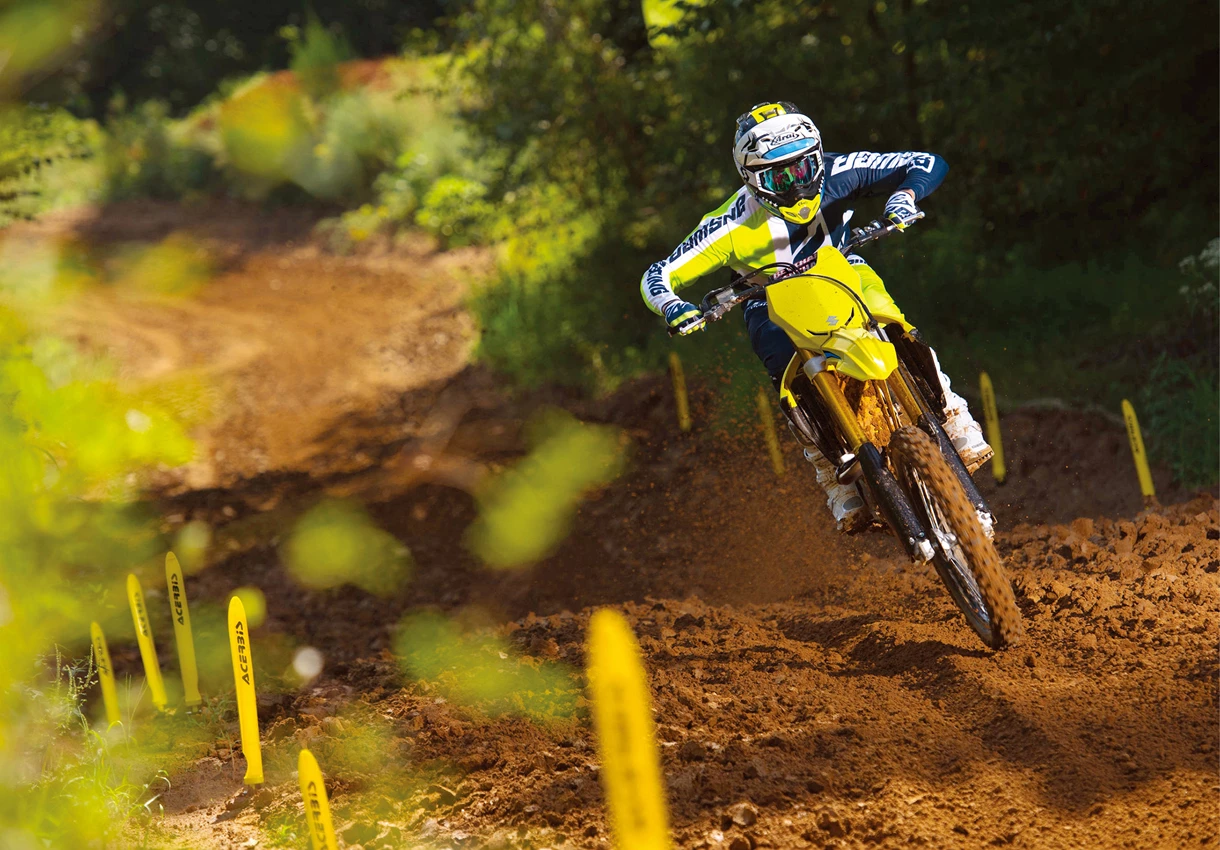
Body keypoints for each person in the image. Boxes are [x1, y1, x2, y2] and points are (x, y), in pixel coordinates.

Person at [640, 101, 992, 531]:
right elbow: (659, 274)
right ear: (752, 178)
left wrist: (905, 194)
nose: (796, 185)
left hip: (842, 269)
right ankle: (830, 472)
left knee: (894, 322)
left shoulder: (841, 170)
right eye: (779, 178)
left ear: (817, 156)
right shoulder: (728, 223)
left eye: (804, 169)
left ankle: (952, 412)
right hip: (769, 297)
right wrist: (673, 306)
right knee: (785, 370)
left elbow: (926, 162)